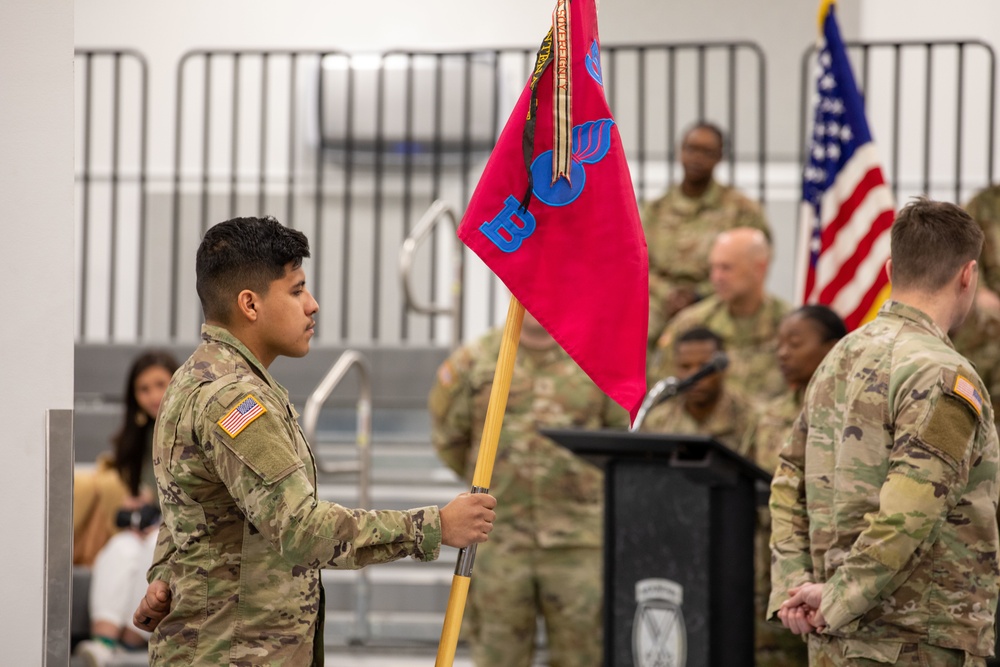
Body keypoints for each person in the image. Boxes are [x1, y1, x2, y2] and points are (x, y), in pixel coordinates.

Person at [134, 216, 497, 666]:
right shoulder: (235, 399)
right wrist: (434, 526)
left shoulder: (193, 378)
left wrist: (164, 573)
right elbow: (301, 529)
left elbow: (188, 506)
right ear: (250, 304)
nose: (313, 305)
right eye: (296, 290)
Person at [769, 198, 1000, 666]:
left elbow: (787, 479)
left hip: (835, 639)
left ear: (892, 267)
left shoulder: (839, 358)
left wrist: (794, 589)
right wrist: (833, 600)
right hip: (913, 641)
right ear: (967, 275)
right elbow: (910, 512)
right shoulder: (942, 373)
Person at [428, 310, 629, 667]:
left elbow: (620, 441)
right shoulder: (476, 360)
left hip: (578, 543)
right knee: (498, 655)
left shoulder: (594, 359)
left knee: (583, 656)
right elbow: (450, 439)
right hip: (498, 541)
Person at [749, 306, 846, 667]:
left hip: (828, 576)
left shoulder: (856, 413)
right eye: (779, 344)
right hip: (771, 567)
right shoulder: (769, 415)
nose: (783, 352)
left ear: (832, 347)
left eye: (795, 342)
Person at [75, 351, 179, 667]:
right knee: (120, 547)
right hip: (149, 525)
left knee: (152, 548)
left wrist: (160, 514)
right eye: (143, 389)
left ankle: (134, 639)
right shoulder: (138, 437)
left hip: (179, 528)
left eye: (160, 384)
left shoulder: (188, 428)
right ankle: (104, 640)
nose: (152, 396)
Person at [641, 121, 771, 347]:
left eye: (707, 152)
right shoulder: (655, 210)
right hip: (659, 302)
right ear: (680, 151)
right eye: (691, 149)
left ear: (720, 157)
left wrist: (698, 296)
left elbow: (754, 263)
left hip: (718, 300)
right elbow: (637, 262)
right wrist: (668, 294)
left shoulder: (741, 210)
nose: (697, 158)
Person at [650, 227, 789, 405]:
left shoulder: (787, 328)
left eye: (726, 268)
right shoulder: (690, 324)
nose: (716, 277)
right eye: (713, 268)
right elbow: (663, 391)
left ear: (759, 268)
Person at [638, 326, 755, 457]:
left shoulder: (752, 420)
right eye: (685, 367)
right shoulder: (658, 421)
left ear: (722, 368)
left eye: (705, 367)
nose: (694, 376)